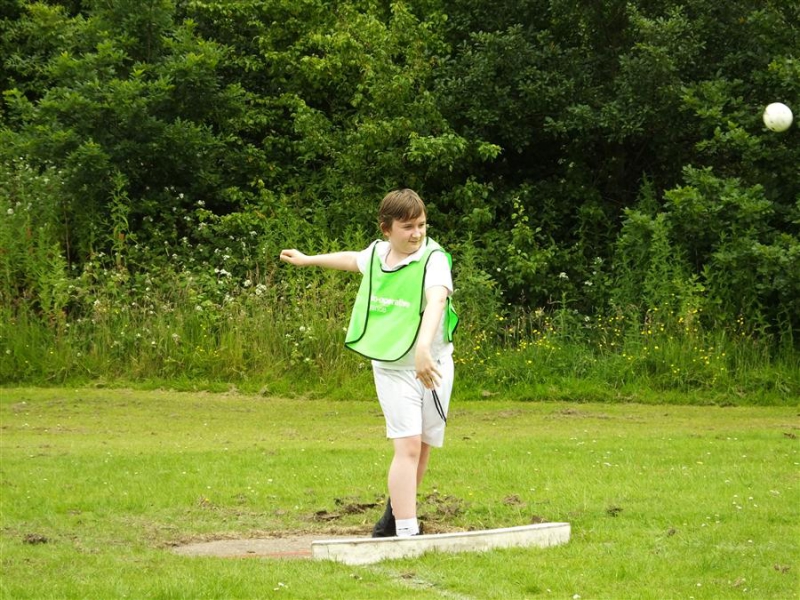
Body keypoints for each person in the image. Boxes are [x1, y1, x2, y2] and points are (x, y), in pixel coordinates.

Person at [279, 188, 457, 538]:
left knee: (422, 448)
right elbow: (352, 259)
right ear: (386, 229)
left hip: (432, 365)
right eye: (408, 227)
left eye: (422, 225)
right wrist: (308, 259)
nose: (417, 234)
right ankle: (407, 530)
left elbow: (436, 300)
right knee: (407, 446)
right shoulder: (377, 254)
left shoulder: (434, 258)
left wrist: (423, 348)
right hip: (392, 366)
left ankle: (393, 514)